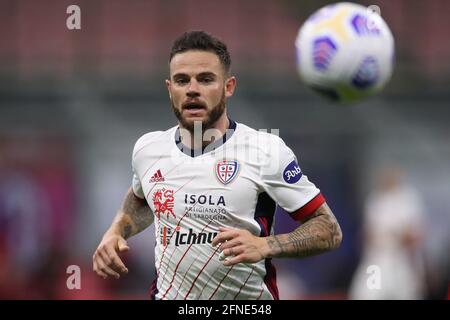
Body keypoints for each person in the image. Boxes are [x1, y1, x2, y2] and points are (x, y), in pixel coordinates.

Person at [93, 30, 342, 300]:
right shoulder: (148, 149)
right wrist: (116, 230)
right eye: (181, 80)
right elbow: (141, 199)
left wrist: (265, 245)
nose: (192, 89)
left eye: (206, 79)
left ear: (229, 86)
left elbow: (328, 229)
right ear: (170, 89)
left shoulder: (265, 150)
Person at [349, 166, 426, 299]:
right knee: (366, 294)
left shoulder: (408, 199)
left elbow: (416, 236)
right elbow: (366, 234)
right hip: (378, 261)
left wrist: (396, 236)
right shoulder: (375, 200)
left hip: (403, 262)